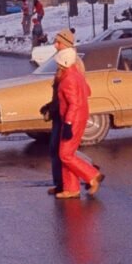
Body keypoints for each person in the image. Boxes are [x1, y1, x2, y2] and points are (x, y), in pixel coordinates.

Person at [53, 47, 103, 199]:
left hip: (72, 120)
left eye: (58, 64)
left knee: (65, 154)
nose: (57, 66)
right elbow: (88, 91)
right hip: (79, 117)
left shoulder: (68, 79)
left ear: (63, 64)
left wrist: (68, 123)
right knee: (68, 153)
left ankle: (92, 175)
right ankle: (71, 188)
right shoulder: (76, 74)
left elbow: (73, 104)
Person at [41, 29, 80, 196]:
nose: (55, 45)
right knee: (55, 149)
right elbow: (60, 92)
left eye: (58, 42)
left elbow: (75, 94)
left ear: (66, 44)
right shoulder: (61, 61)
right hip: (59, 111)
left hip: (67, 114)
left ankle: (87, 173)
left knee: (63, 151)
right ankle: (60, 183)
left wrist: (70, 119)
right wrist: (51, 106)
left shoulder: (72, 63)